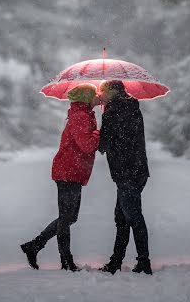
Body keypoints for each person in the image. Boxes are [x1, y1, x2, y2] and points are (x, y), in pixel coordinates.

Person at [20, 83, 100, 271]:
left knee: (70, 218)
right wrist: (100, 132)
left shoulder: (84, 114)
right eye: (94, 93)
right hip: (68, 172)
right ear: (86, 98)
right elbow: (87, 145)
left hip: (73, 171)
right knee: (66, 218)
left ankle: (34, 245)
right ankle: (66, 261)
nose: (98, 95)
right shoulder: (80, 116)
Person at [98, 79, 152, 275]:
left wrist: (98, 126)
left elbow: (103, 145)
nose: (100, 95)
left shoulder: (112, 111)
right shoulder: (132, 106)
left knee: (132, 218)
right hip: (138, 170)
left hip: (125, 172)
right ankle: (116, 262)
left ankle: (144, 262)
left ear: (111, 91)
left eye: (102, 91)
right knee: (122, 217)